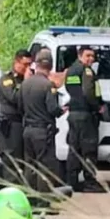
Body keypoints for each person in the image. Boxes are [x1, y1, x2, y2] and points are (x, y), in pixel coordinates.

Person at [18, 50, 65, 194]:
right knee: (45, 165)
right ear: (50, 67)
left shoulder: (24, 84)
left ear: (36, 64)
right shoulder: (48, 85)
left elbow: (20, 107)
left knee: (30, 166)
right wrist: (61, 110)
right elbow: (52, 109)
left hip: (27, 131)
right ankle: (44, 199)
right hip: (43, 132)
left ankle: (29, 198)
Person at [64, 46, 104, 192]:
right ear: (80, 56)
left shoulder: (70, 71)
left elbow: (70, 90)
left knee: (74, 148)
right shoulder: (87, 71)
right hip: (86, 114)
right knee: (89, 149)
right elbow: (88, 92)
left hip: (74, 113)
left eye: (93, 56)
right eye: (88, 56)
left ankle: (71, 181)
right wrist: (97, 107)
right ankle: (90, 182)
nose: (91, 59)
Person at [0, 50, 32, 184]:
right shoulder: (7, 79)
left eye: (30, 64)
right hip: (12, 125)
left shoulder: (29, 77)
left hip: (26, 123)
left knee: (26, 159)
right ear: (16, 62)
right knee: (12, 158)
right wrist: (26, 83)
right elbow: (14, 98)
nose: (27, 68)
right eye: (25, 64)